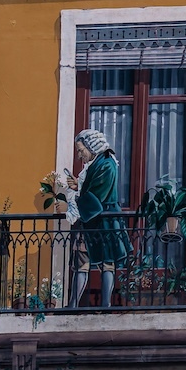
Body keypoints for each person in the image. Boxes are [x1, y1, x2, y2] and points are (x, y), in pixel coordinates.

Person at [66, 129, 128, 308]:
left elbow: (96, 197)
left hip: (104, 221)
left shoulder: (107, 164)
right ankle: (73, 305)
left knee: (106, 262)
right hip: (90, 219)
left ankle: (105, 305)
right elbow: (90, 190)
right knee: (81, 262)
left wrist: (71, 203)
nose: (79, 155)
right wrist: (78, 186)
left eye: (81, 150)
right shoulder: (96, 163)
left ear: (91, 146)